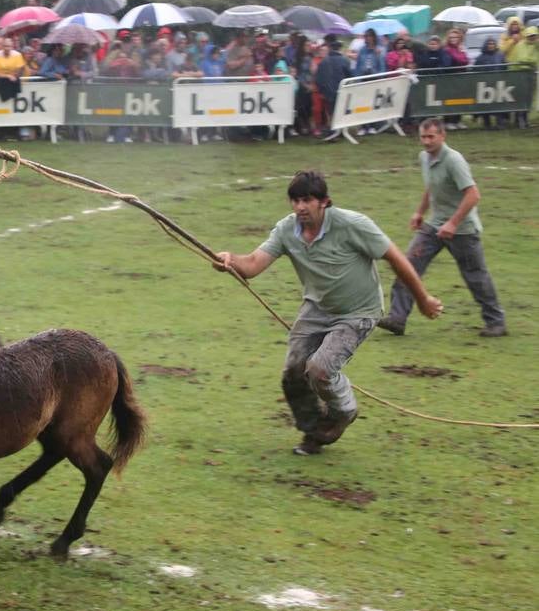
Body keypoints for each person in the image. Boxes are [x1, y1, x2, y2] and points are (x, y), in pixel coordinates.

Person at [214, 170, 441, 456]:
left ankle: (344, 411)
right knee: (294, 373)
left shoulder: (353, 225)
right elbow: (253, 265)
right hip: (317, 308)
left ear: (325, 202)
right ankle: (314, 431)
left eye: (307, 200)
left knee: (320, 369)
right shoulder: (287, 229)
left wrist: (422, 299)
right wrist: (229, 260)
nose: (300, 207)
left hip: (358, 312)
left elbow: (395, 257)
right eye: (295, 200)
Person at [379, 119, 506, 338]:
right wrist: (420, 212)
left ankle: (496, 322)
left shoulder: (454, 160)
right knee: (407, 266)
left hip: (463, 231)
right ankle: (397, 318)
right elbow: (431, 187)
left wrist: (453, 223)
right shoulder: (425, 158)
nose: (426, 141)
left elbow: (473, 194)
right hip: (434, 225)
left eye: (431, 137)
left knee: (475, 276)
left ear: (442, 136)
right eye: (423, 137)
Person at [313, 40, 353, 137]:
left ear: (330, 49)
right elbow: (350, 76)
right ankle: (340, 131)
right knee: (341, 112)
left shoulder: (324, 61)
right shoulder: (345, 60)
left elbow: (318, 78)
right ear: (339, 49)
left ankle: (333, 131)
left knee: (331, 113)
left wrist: (322, 91)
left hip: (328, 92)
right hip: (342, 91)